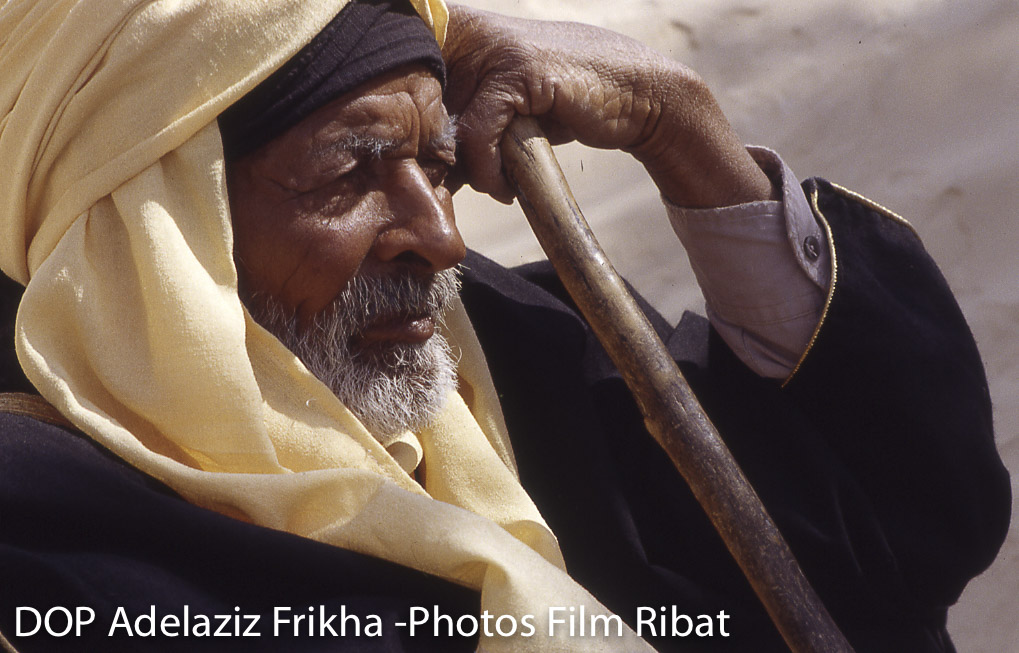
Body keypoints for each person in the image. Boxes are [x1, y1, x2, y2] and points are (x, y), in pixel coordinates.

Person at [0, 1, 1009, 652]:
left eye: (437, 166)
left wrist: (678, 125)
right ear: (150, 226)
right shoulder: (44, 545)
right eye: (350, 173)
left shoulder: (492, 360)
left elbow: (887, 550)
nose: (440, 237)